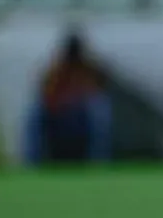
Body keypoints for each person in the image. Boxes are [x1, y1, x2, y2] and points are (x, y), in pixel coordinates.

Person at [25, 31, 112, 165]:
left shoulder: (88, 69)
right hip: (59, 117)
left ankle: (97, 161)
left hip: (80, 118)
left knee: (100, 108)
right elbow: (47, 95)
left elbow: (99, 87)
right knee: (34, 111)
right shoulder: (57, 70)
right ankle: (33, 162)